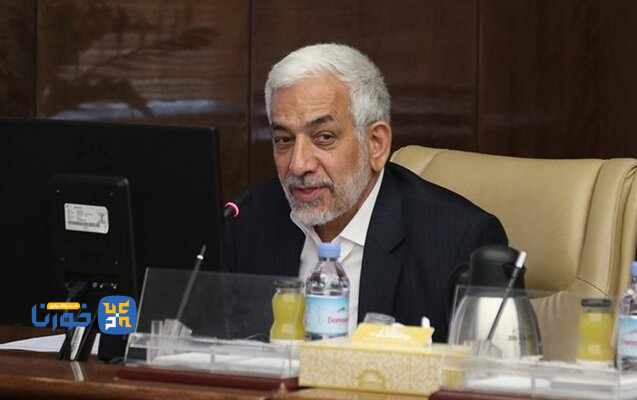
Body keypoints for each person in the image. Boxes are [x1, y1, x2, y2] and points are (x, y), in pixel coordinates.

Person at [224, 43, 507, 342]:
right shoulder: (247, 219)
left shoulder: (459, 241)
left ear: (376, 144)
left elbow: (492, 365)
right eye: (284, 140)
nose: (298, 164)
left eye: (324, 137)